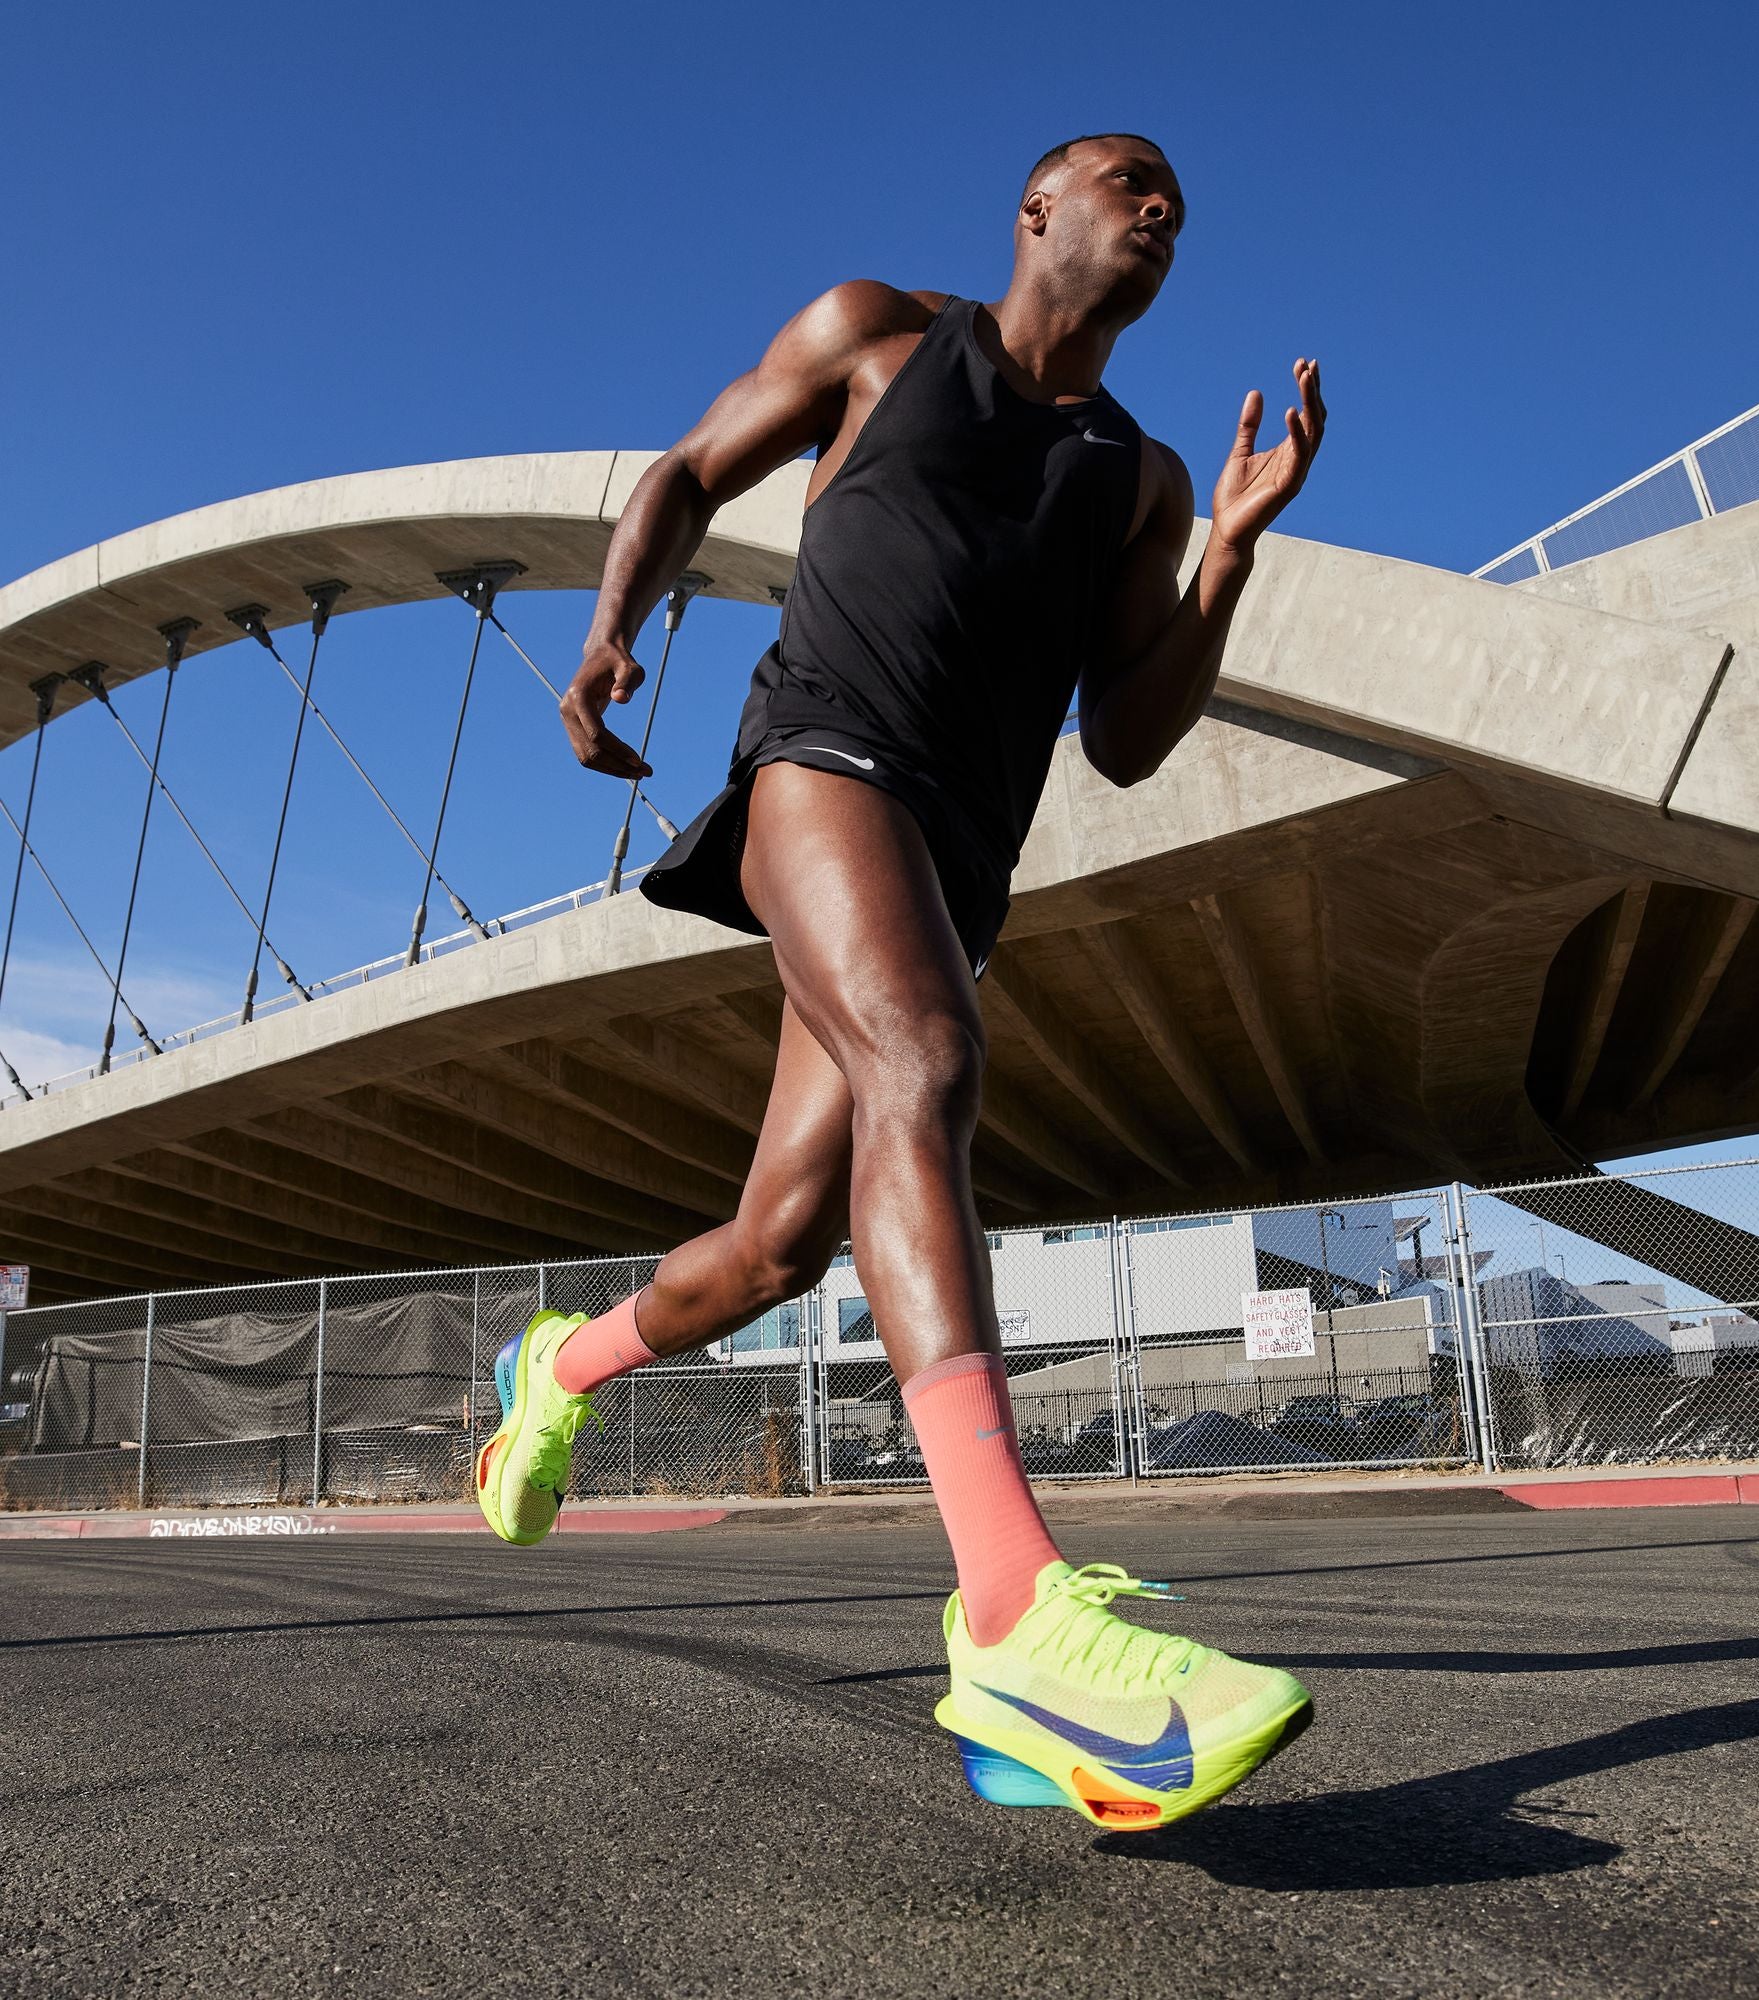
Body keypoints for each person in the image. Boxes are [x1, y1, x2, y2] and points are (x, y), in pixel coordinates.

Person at [477, 133, 1326, 1829]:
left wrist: (1224, 558)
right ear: (1037, 208)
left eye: (1178, 202)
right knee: (927, 1065)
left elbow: (1132, 739)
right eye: (1125, 178)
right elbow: (688, 470)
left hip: (953, 856)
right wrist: (612, 622)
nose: (1158, 208)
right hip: (820, 765)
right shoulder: (880, 332)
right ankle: (1011, 1607)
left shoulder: (1140, 478)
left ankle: (554, 1375)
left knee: (782, 1247)